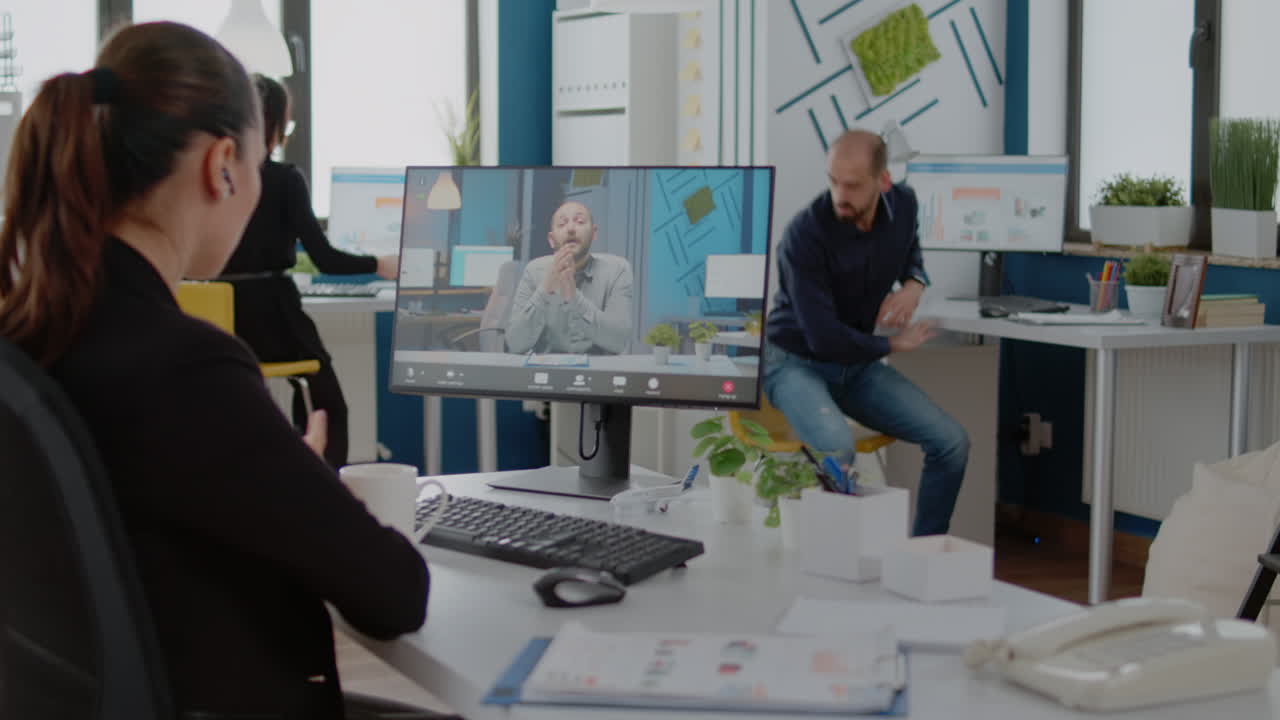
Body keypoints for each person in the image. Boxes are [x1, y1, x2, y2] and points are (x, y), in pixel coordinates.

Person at [0, 22, 445, 719]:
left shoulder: (32, 333)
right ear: (224, 164)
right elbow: (395, 593)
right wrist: (308, 492)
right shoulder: (182, 367)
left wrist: (267, 472)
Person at [764, 129, 969, 537]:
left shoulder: (905, 204)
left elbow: (910, 251)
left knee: (952, 443)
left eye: (853, 185)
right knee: (838, 452)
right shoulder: (804, 235)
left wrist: (914, 283)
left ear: (883, 181)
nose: (840, 194)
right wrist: (894, 343)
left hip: (854, 365)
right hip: (794, 362)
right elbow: (823, 337)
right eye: (833, 180)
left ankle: (924, 554)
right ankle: (833, 564)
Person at [220, 73, 398, 469]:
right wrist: (380, 265)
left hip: (219, 319)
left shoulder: (217, 174)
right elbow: (326, 259)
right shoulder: (284, 179)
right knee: (329, 404)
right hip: (273, 316)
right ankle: (324, 479)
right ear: (276, 125)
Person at [505, 200, 633, 355]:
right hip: (546, 372)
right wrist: (545, 288)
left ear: (594, 234)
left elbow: (618, 341)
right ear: (551, 240)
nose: (571, 229)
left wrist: (574, 297)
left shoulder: (617, 270)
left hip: (599, 373)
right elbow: (515, 344)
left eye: (579, 222)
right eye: (562, 224)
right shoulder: (534, 271)